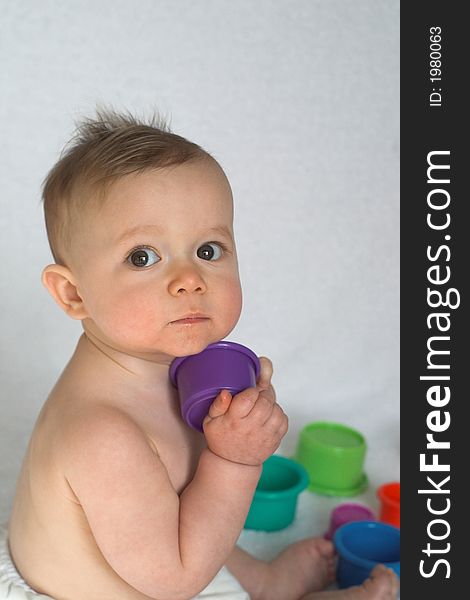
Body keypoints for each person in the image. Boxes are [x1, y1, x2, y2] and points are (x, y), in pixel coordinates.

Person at [5, 109, 398, 600]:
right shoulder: (103, 436)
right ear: (73, 294)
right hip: (102, 588)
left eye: (209, 250)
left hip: (148, 550)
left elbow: (187, 506)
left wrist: (234, 420)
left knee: (185, 505)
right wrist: (234, 460)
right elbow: (176, 579)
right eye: (142, 257)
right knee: (195, 507)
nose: (189, 279)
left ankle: (266, 582)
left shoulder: (154, 363)